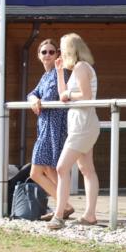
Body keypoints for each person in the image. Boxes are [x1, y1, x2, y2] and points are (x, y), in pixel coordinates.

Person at [48, 34, 101, 230]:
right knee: (87, 169)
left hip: (83, 124)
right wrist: (60, 72)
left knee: (62, 168)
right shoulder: (77, 69)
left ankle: (59, 214)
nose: (60, 53)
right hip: (81, 123)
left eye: (62, 49)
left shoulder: (81, 67)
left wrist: (69, 94)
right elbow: (64, 95)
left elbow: (85, 95)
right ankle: (90, 215)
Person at [27, 38, 73, 221]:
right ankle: (64, 205)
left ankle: (65, 205)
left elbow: (54, 96)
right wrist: (33, 100)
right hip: (45, 125)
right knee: (48, 168)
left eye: (51, 52)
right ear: (39, 56)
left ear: (57, 55)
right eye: (44, 52)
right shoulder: (45, 76)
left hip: (55, 126)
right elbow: (33, 93)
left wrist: (39, 100)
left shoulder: (58, 74)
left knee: (37, 171)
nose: (47, 55)